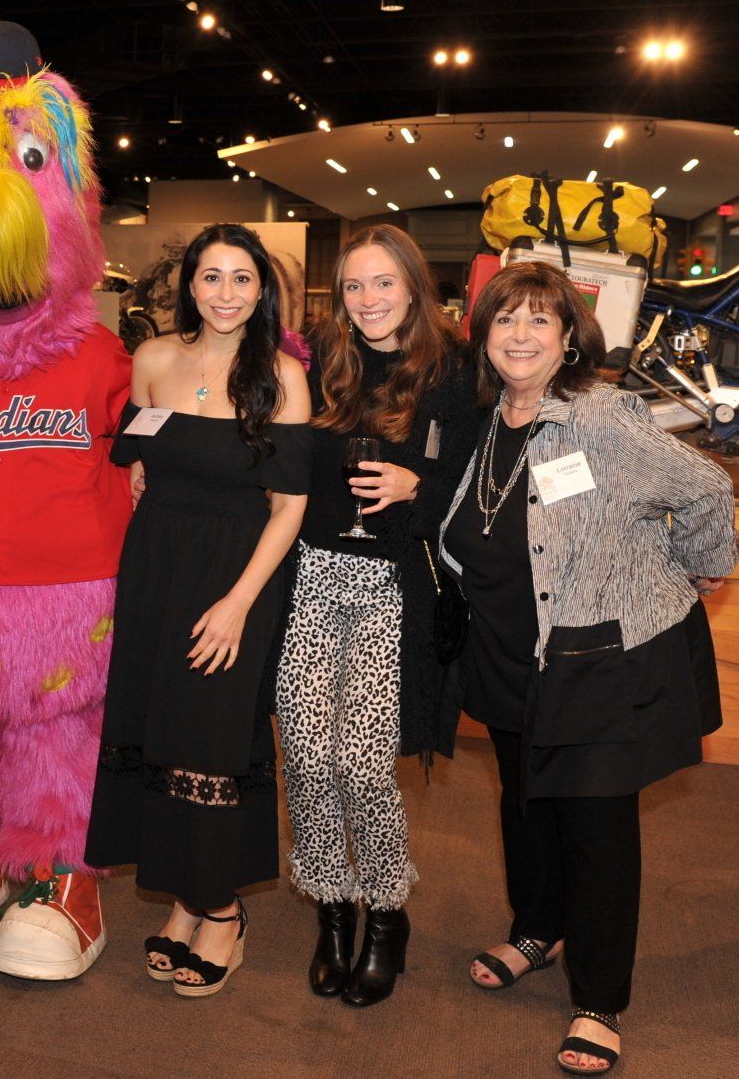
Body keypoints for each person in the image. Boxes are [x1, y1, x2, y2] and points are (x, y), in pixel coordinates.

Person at [441, 262, 738, 1076]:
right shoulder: (486, 419)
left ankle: (599, 1000)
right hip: (506, 653)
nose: (520, 336)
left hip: (595, 656)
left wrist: (699, 564)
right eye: (505, 320)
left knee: (597, 828)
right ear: (483, 335)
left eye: (540, 320)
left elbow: (707, 488)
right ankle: (537, 929)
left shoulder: (602, 416)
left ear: (571, 337)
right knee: (526, 806)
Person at [87, 223, 311, 999]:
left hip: (237, 580)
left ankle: (221, 911)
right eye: (211, 277)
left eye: (241, 278)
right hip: (156, 573)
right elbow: (135, 455)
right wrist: (144, 476)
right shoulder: (152, 360)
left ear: (262, 289)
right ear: (189, 286)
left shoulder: (281, 375)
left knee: (214, 741)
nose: (225, 293)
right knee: (162, 731)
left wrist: (238, 604)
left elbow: (290, 507)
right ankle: (186, 898)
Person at [275, 224, 479, 1008]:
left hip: (393, 587)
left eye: (383, 283)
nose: (368, 300)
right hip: (311, 577)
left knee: (362, 764)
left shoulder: (455, 371)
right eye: (354, 286)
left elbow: (475, 483)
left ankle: (387, 916)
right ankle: (333, 909)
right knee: (306, 757)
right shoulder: (321, 361)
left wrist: (417, 487)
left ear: (414, 286)